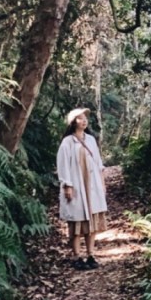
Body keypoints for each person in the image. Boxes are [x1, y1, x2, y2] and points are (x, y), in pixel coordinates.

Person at [56, 108, 108, 270]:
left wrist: (102, 183)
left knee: (92, 222)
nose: (84, 121)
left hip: (93, 186)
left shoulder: (91, 140)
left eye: (85, 118)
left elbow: (98, 163)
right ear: (73, 122)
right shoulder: (68, 142)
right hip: (77, 186)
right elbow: (63, 165)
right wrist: (67, 185)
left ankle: (91, 254)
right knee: (77, 224)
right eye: (80, 118)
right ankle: (77, 256)